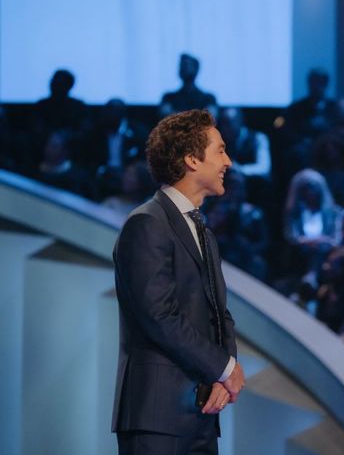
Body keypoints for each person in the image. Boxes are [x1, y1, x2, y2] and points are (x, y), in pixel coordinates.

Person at [111, 110, 245, 454]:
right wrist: (224, 367)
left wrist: (221, 375)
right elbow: (159, 315)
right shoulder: (146, 223)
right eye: (220, 150)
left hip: (201, 414)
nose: (228, 161)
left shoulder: (203, 231)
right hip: (157, 418)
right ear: (191, 159)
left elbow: (220, 313)